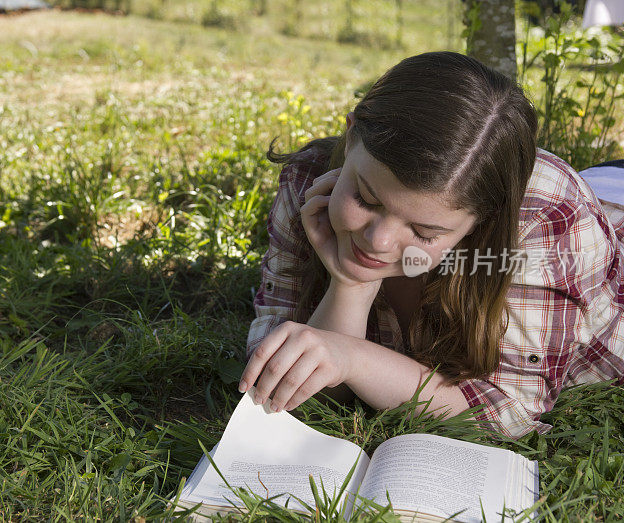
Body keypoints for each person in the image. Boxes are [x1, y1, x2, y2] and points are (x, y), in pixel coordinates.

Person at [237, 51, 624, 439]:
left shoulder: (546, 223)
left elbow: (507, 413)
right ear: (351, 134)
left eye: (424, 232)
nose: (378, 241)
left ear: (482, 222)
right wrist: (350, 286)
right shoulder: (309, 181)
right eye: (366, 199)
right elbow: (284, 384)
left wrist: (350, 357)